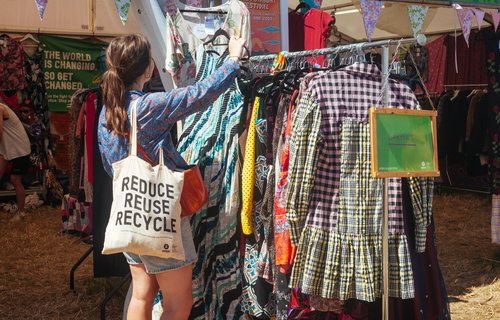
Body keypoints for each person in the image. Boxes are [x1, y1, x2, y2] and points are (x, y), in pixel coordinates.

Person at [98, 34, 246, 320]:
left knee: (141, 294)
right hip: (160, 217)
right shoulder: (148, 107)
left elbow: (109, 164)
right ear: (148, 69)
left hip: (129, 214)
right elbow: (199, 94)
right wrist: (233, 60)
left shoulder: (108, 111)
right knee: (178, 304)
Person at [0, 99, 31, 221]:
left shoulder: (0, 108)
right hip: (6, 147)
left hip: (20, 148)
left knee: (15, 180)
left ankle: (21, 212)